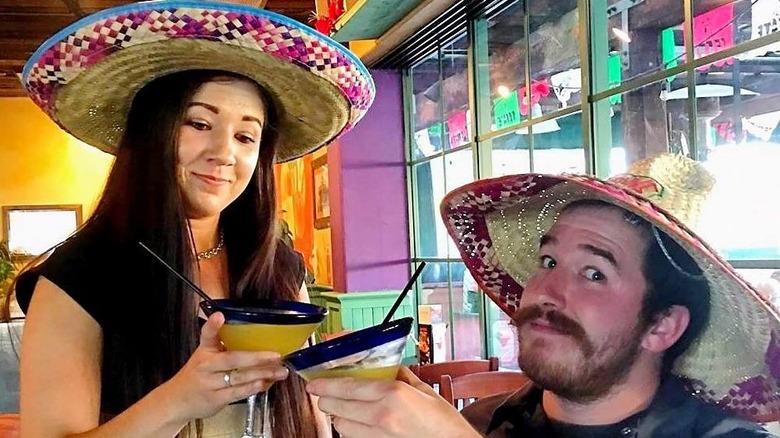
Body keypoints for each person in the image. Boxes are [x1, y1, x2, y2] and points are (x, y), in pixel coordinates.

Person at [3, 1, 374, 437]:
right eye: (199, 123)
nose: (224, 153)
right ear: (151, 133)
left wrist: (340, 395)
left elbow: (308, 423)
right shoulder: (79, 278)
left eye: (245, 136)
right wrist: (178, 400)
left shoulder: (277, 266)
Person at [306, 153, 780, 437]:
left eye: (593, 273)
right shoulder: (484, 422)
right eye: (548, 262)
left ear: (662, 325)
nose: (547, 290)